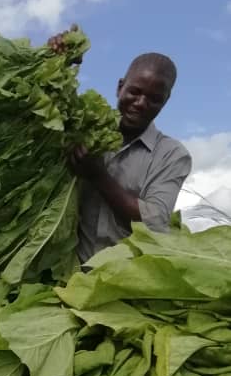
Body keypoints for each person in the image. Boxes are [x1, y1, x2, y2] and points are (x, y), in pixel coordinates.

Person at [49, 34, 192, 262]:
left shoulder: (172, 155)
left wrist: (99, 176)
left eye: (155, 98)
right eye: (135, 92)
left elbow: (153, 224)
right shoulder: (85, 128)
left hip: (124, 283)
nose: (141, 103)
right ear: (120, 87)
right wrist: (54, 61)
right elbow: (46, 115)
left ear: (165, 101)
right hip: (66, 273)